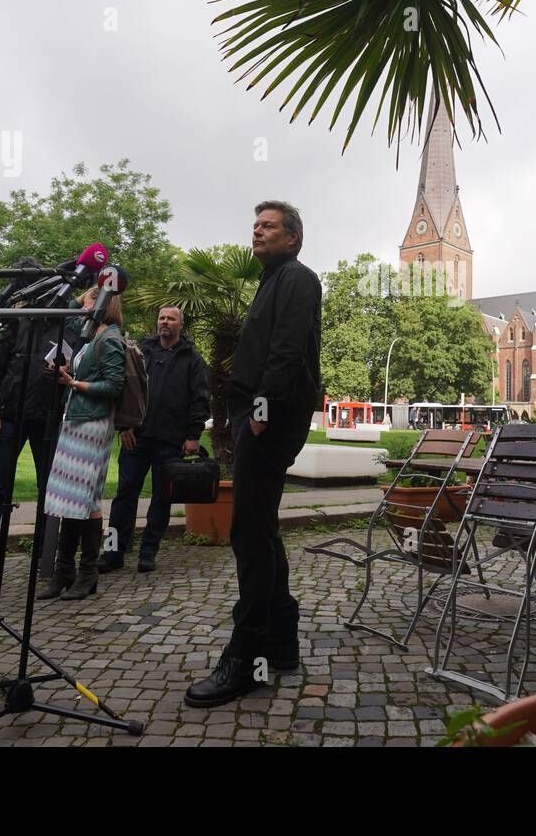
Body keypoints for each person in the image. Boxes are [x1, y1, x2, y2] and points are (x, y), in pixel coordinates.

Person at [185, 201, 320, 707]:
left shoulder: (298, 278)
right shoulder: (272, 279)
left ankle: (246, 656)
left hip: (270, 417)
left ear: (293, 237)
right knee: (261, 527)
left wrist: (259, 411)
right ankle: (281, 639)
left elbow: (287, 349)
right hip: (258, 413)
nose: (256, 232)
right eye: (255, 225)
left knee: (247, 529)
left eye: (268, 226)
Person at [0, 264, 83, 585]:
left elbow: (79, 379)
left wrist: (68, 375)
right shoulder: (15, 327)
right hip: (10, 418)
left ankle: (44, 556)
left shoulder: (68, 332)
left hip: (48, 422)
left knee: (49, 491)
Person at [99, 305, 210, 575]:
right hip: (135, 436)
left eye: (171, 318)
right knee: (124, 496)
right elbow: (125, 386)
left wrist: (193, 435)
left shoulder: (192, 358)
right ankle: (113, 551)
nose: (165, 322)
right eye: (161, 317)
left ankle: (149, 551)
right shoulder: (141, 351)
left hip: (171, 441)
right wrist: (124, 426)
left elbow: (201, 398)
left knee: (162, 498)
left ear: (180, 325)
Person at [37, 286, 126, 601]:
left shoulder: (110, 338)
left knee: (85, 500)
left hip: (93, 424)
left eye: (91, 300)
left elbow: (114, 385)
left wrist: (74, 382)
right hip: (76, 421)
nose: (83, 305)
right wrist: (82, 296)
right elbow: (64, 315)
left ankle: (86, 573)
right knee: (69, 498)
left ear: (104, 305)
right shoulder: (92, 333)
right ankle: (65, 572)